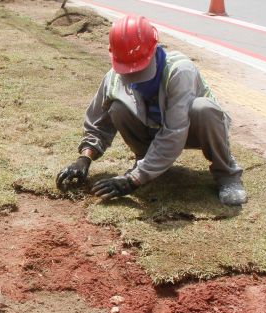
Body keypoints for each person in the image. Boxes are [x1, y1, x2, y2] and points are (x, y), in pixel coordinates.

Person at [56, 15, 247, 206]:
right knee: (118, 108)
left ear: (154, 48)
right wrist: (84, 159)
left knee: (202, 109)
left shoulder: (179, 71)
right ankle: (147, 161)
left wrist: (133, 180)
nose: (134, 76)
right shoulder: (114, 77)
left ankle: (227, 174)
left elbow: (174, 133)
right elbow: (98, 123)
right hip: (153, 131)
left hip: (192, 129)